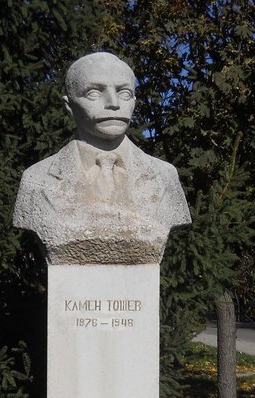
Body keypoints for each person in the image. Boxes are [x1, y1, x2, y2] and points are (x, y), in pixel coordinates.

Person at [13, 52, 190, 265]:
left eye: (124, 93)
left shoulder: (165, 176)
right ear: (69, 105)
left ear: (134, 101)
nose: (113, 103)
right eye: (94, 93)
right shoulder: (36, 180)